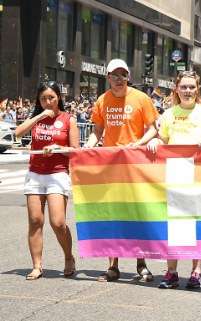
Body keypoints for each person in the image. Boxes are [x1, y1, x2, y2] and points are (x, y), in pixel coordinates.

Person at [147, 70, 201, 289]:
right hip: (175, 174)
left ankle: (196, 271)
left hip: (200, 175)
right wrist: (155, 143)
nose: (188, 91)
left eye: (192, 87)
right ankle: (171, 272)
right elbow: (163, 138)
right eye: (184, 87)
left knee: (196, 224)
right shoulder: (169, 114)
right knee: (176, 225)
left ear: (197, 89)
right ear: (177, 89)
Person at [84, 58, 159, 282]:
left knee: (137, 214)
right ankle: (113, 266)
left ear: (128, 77)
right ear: (107, 77)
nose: (119, 79)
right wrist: (88, 147)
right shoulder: (102, 100)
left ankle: (141, 264)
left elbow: (153, 129)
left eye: (122, 74)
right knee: (112, 214)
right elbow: (97, 131)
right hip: (110, 165)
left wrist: (138, 143)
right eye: (114, 75)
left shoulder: (141, 98)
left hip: (135, 165)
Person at [15, 81, 79, 280]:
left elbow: (76, 151)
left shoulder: (69, 119)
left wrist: (58, 149)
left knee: (58, 222)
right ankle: (37, 265)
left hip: (58, 174)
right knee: (35, 221)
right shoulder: (38, 117)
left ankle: (69, 257)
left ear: (59, 97)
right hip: (35, 173)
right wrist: (40, 116)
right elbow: (18, 133)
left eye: (51, 97)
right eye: (43, 98)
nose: (48, 101)